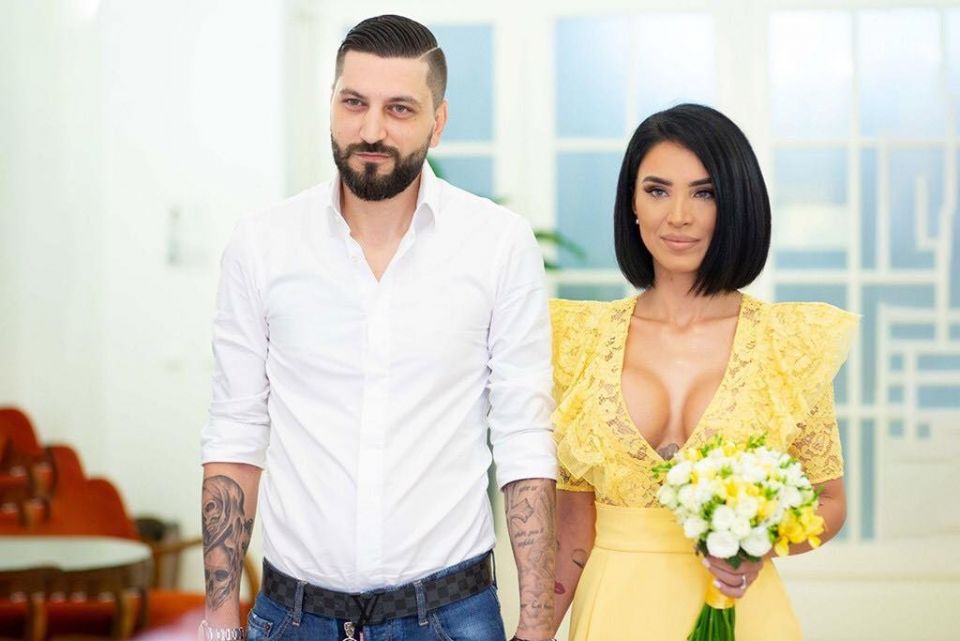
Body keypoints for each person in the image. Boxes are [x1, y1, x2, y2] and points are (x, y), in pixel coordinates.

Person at [199, 15, 558, 641]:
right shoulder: (261, 244)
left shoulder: (498, 244)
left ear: (437, 122)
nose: (371, 130)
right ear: (331, 104)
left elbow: (524, 437)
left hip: (451, 616)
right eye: (354, 102)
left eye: (399, 109)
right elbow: (235, 431)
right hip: (292, 617)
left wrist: (534, 625)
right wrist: (220, 622)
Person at [550, 103, 857, 640]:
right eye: (657, 190)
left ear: (735, 204)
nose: (679, 216)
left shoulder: (787, 343)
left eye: (704, 193)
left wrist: (757, 546)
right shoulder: (577, 341)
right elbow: (573, 529)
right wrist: (532, 632)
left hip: (744, 616)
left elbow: (828, 502)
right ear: (632, 204)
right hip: (614, 614)